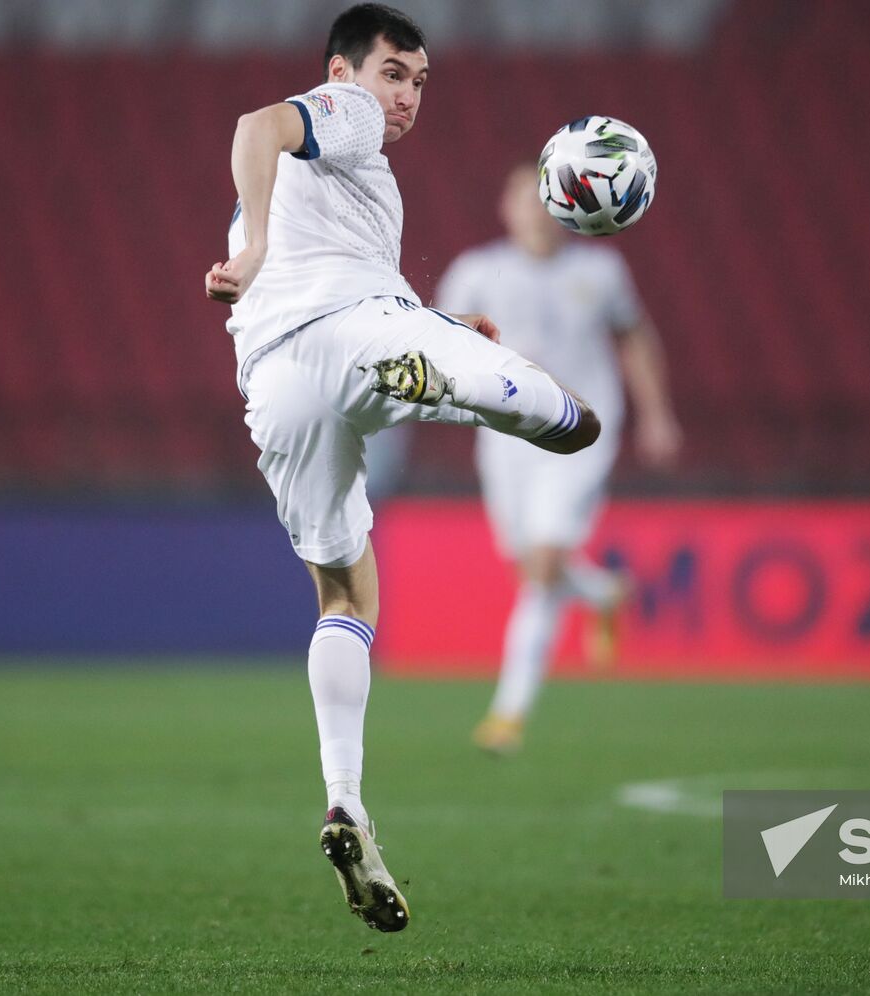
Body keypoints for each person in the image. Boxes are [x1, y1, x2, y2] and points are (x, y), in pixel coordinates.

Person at [203, 4, 600, 933]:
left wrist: (433, 319)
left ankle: (346, 800)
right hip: (350, 333)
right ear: (343, 71)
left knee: (345, 595)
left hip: (276, 384)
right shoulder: (344, 115)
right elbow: (256, 125)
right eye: (393, 73)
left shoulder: (347, 180)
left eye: (420, 82)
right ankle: (490, 388)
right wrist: (255, 250)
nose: (408, 96)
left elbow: (338, 264)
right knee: (558, 416)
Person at [434, 162, 682, 756]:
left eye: (545, 200)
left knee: (543, 565)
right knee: (529, 566)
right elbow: (438, 340)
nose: (536, 212)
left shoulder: (600, 270)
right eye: (524, 199)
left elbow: (635, 337)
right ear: (506, 208)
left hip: (581, 427)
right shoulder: (476, 271)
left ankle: (508, 715)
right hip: (505, 433)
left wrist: (657, 414)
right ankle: (602, 594)